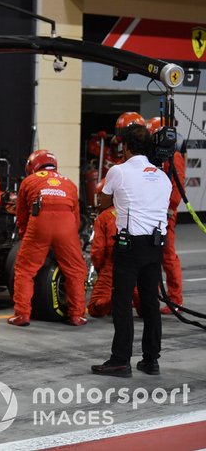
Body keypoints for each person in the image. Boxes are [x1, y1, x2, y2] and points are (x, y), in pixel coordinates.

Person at [92, 124, 171, 377]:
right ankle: (151, 360)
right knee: (150, 302)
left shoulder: (119, 171)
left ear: (124, 147)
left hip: (129, 245)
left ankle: (120, 360)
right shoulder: (162, 175)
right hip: (156, 245)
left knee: (122, 302)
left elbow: (103, 202)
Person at [8, 149, 88, 327]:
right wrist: (67, 241)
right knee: (75, 270)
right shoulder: (69, 183)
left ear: (32, 166)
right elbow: (76, 217)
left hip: (39, 224)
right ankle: (77, 315)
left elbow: (21, 216)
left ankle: (22, 314)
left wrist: (25, 238)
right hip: (66, 226)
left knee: (25, 270)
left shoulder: (29, 181)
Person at [146, 116, 185, 313]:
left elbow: (177, 188)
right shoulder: (153, 157)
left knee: (167, 256)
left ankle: (176, 299)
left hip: (165, 213)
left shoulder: (174, 157)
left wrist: (169, 210)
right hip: (152, 211)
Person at [87, 180, 118, 317]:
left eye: (101, 196)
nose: (99, 200)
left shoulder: (104, 217)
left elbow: (98, 250)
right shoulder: (136, 211)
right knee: (145, 307)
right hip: (139, 264)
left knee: (95, 308)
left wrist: (99, 268)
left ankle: (118, 298)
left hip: (112, 265)